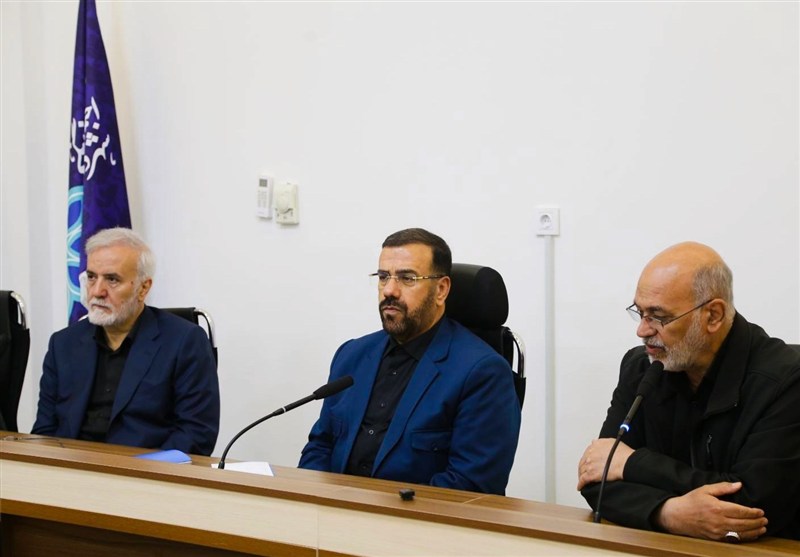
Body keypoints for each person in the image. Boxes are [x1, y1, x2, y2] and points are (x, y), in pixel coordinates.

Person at [577, 242, 800, 541]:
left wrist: (633, 464)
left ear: (713, 316)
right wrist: (667, 513)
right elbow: (596, 478)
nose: (642, 330)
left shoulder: (786, 381)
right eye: (639, 312)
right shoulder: (641, 367)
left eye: (658, 316)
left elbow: (752, 508)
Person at [299, 228, 521, 494]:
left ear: (441, 290)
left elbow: (470, 485)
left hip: (418, 517)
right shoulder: (352, 355)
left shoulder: (482, 372)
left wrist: (380, 509)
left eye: (407, 278)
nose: (389, 291)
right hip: (334, 510)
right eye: (383, 277)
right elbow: (320, 446)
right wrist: (314, 499)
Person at [32, 227, 220, 456]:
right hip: (71, 467)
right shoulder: (63, 344)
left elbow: (196, 433)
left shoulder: (185, 342)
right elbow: (45, 430)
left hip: (146, 471)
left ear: (143, 288)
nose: (97, 291)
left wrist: (142, 470)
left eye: (112, 280)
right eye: (91, 277)